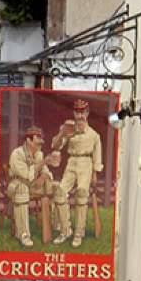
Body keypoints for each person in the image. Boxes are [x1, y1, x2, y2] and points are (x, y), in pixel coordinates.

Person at [52, 100, 106, 246]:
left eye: (83, 112)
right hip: (72, 162)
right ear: (74, 113)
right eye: (77, 112)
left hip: (86, 163)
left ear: (87, 113)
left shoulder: (94, 135)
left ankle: (78, 233)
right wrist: (62, 132)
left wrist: (95, 173)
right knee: (59, 193)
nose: (80, 115)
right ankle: (65, 230)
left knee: (82, 194)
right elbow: (55, 146)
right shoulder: (69, 128)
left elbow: (97, 156)